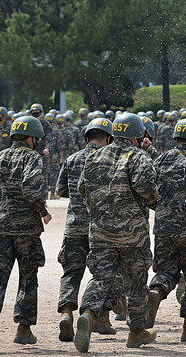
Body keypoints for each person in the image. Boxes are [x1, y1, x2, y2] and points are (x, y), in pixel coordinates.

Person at [74, 113, 158, 352]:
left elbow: (82, 188)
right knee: (136, 283)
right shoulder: (139, 157)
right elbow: (146, 188)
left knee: (101, 278)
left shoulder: (94, 156)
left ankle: (89, 314)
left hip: (100, 232)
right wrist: (152, 200)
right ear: (139, 135)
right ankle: (135, 333)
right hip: (133, 234)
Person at [0, 115, 52, 351]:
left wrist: (2, 209)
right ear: (32, 138)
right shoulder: (33, 158)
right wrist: (42, 211)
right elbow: (31, 189)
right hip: (26, 231)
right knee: (28, 279)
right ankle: (23, 329)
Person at [55, 117, 117, 342]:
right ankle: (99, 318)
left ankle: (66, 313)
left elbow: (61, 190)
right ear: (108, 138)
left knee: (71, 272)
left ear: (87, 136)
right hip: (101, 228)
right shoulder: (110, 159)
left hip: (74, 227)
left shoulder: (72, 159)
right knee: (103, 275)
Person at [145, 118, 186, 341]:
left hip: (163, 227)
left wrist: (159, 209)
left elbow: (148, 189)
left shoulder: (161, 160)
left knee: (165, 271)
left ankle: (156, 292)